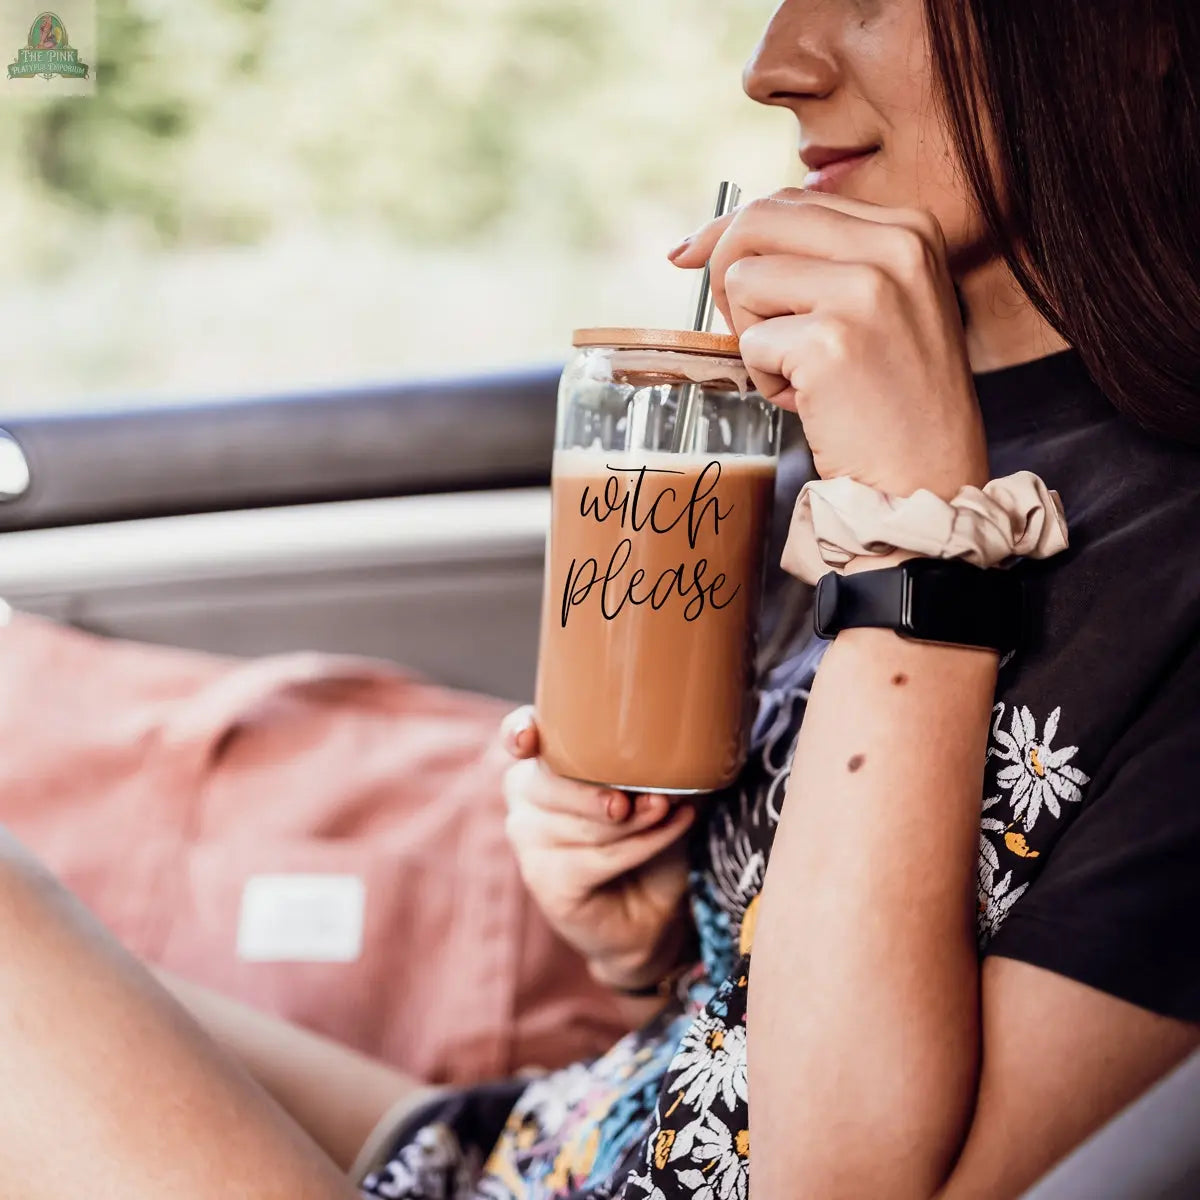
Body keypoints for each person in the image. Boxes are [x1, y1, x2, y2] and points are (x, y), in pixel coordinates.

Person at [0, 0, 1196, 1196]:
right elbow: (745, 1023)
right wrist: (647, 950)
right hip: (522, 1148)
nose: (772, 68)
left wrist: (917, 533)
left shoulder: (1085, 545)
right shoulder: (857, 431)